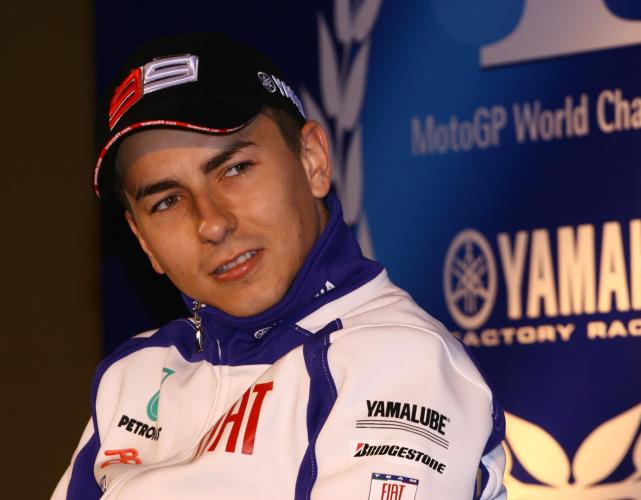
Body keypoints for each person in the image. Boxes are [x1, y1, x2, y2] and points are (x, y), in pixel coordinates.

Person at [52, 32, 506, 500]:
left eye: (235, 169)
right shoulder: (133, 374)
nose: (211, 223)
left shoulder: (399, 358)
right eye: (167, 201)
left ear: (313, 161)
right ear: (142, 239)